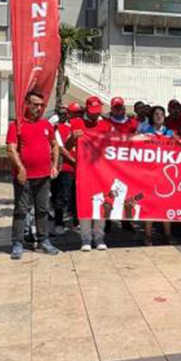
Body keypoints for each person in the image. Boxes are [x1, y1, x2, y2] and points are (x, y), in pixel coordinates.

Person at [6, 91, 61, 260]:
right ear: (27, 105)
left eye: (41, 105)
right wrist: (21, 169)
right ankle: (17, 243)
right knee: (21, 210)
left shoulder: (46, 125)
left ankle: (43, 240)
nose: (39, 108)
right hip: (24, 177)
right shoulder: (17, 125)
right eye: (35, 104)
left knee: (42, 210)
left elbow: (55, 146)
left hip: (44, 176)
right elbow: (11, 149)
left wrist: (54, 165)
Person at [69, 96, 113, 251]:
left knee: (102, 203)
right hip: (83, 171)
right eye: (92, 112)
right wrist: (72, 138)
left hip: (102, 171)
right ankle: (86, 239)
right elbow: (68, 146)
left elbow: (114, 145)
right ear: (87, 109)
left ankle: (99, 236)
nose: (95, 115)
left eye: (97, 111)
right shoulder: (76, 123)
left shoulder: (106, 125)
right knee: (85, 203)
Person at [136, 106, 175, 245]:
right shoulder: (146, 132)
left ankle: (168, 234)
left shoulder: (170, 132)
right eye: (156, 114)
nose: (159, 116)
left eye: (161, 114)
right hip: (150, 174)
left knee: (166, 204)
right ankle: (148, 235)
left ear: (165, 116)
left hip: (166, 174)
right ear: (152, 117)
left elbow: (180, 147)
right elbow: (134, 143)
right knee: (149, 205)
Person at [52, 102, 80, 235]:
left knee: (77, 196)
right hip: (65, 167)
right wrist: (74, 161)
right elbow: (60, 149)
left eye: (66, 113)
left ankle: (76, 221)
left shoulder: (74, 127)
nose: (64, 116)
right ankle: (58, 223)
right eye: (61, 113)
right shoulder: (55, 128)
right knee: (62, 197)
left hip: (79, 169)